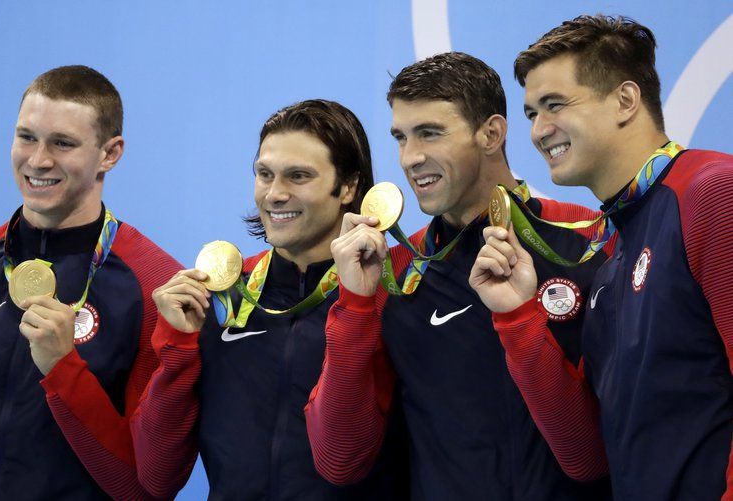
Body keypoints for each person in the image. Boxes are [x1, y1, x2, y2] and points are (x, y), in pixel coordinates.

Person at [305, 52, 612, 499]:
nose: (410, 158)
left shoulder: (590, 243)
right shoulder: (393, 274)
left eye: (429, 134)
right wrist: (353, 307)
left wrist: (518, 322)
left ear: (491, 133)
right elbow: (339, 461)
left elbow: (591, 458)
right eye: (401, 138)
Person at [470, 14, 733, 500]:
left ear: (625, 101)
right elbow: (585, 456)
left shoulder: (713, 193)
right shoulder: (612, 250)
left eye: (554, 105)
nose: (538, 131)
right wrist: (516, 317)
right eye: (531, 113)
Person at [131, 99, 408, 499]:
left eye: (298, 176)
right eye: (265, 174)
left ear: (347, 186)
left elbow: (344, 462)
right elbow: (157, 476)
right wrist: (176, 350)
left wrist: (356, 303)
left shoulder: (390, 295)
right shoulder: (218, 298)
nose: (275, 194)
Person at [0, 65, 181, 499]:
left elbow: (143, 488)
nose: (38, 160)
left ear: (110, 154)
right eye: (26, 137)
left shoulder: (155, 287)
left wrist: (62, 368)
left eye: (62, 143)